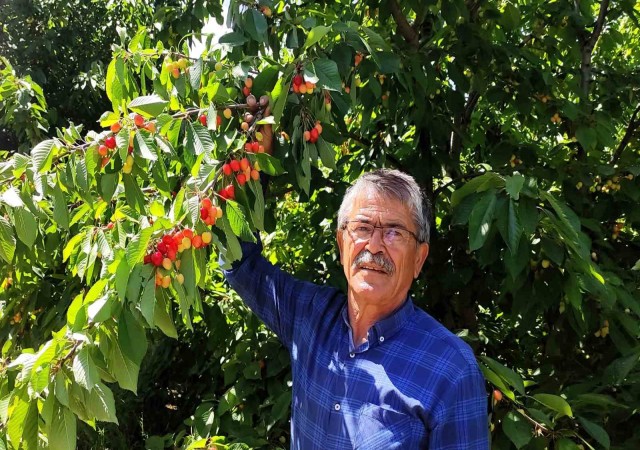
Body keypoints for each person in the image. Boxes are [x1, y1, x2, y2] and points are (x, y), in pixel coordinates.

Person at [223, 169, 489, 449]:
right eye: (362, 228)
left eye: (394, 232)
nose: (374, 247)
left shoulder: (453, 369)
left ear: (419, 259)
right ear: (341, 244)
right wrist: (251, 171)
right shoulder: (310, 316)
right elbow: (240, 264)